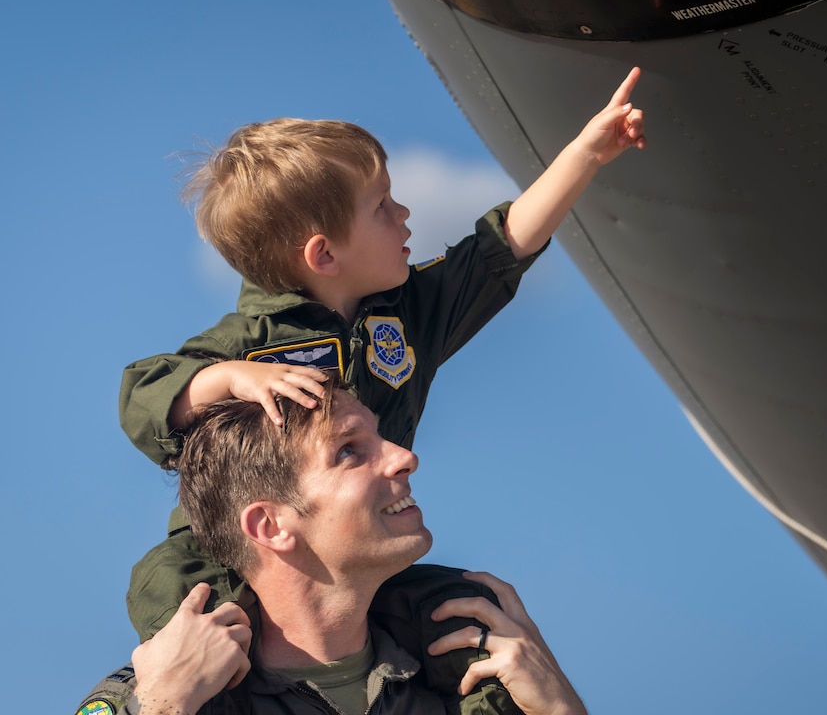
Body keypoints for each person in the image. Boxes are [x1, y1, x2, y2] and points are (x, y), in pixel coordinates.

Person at [119, 67, 647, 646]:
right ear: (323, 255)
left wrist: (585, 155)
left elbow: (501, 249)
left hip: (352, 555)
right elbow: (142, 398)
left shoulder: (407, 315)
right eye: (381, 207)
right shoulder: (251, 342)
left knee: (465, 614)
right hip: (233, 559)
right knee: (175, 594)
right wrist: (229, 377)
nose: (404, 215)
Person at [78, 385, 588, 715]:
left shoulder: (468, 683)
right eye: (349, 451)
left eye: (381, 438)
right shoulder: (161, 691)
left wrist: (561, 709)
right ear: (271, 525)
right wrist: (164, 705)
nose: (406, 457)